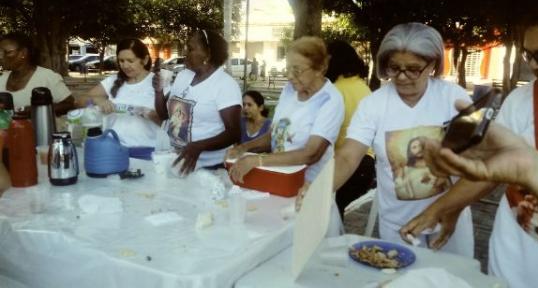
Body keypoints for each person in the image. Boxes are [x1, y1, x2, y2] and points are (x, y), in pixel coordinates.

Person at [402, 0, 538, 288]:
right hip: (514, 255)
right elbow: (491, 173)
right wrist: (442, 208)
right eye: (527, 55)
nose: (533, 66)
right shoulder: (520, 102)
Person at [315, 23, 474, 257]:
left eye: (413, 69)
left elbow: (477, 162)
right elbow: (349, 156)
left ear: (432, 64)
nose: (402, 77)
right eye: (394, 68)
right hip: (398, 226)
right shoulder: (373, 104)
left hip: (450, 218)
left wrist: (449, 210)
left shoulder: (456, 97)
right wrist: (318, 190)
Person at [416, 109, 538, 273]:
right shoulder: (520, 102)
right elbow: (492, 172)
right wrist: (447, 208)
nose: (536, 68)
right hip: (512, 246)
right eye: (530, 66)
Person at [228, 36, 344, 188]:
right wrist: (244, 148)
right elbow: (275, 135)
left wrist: (258, 160)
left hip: (310, 187)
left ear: (320, 68)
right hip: (281, 179)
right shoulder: (289, 91)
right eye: (288, 69)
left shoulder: (330, 100)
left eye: (297, 70)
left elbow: (312, 153)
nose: (289, 76)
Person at [154, 29, 241, 174]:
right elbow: (164, 115)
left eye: (191, 48)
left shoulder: (225, 85)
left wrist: (199, 146)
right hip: (174, 161)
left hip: (209, 167)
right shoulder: (183, 76)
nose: (185, 53)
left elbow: (234, 133)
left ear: (208, 53)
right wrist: (158, 92)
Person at [325, 40, 375, 220]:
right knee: (335, 214)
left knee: (327, 215)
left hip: (345, 163)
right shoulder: (362, 87)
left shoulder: (334, 91)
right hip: (366, 164)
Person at [85, 38, 164, 148]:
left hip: (147, 150)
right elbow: (80, 101)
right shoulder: (113, 80)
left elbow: (173, 124)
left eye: (130, 61)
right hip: (113, 149)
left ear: (145, 60)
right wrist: (99, 100)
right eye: (121, 61)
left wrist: (151, 114)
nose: (125, 66)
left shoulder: (158, 83)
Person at [0, 33, 74, 116]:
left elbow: (69, 105)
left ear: (23, 53)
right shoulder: (2, 78)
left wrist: (34, 110)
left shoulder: (47, 77)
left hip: (40, 128)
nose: (1, 57)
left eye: (7, 52)